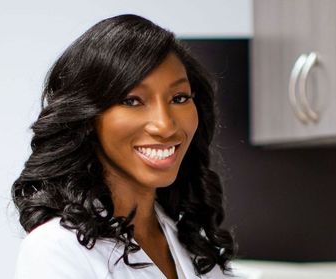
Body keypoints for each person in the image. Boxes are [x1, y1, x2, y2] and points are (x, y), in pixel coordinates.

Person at [12, 14, 238, 279]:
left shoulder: (193, 241)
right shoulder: (56, 250)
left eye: (179, 98)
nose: (165, 126)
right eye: (132, 101)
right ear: (87, 117)